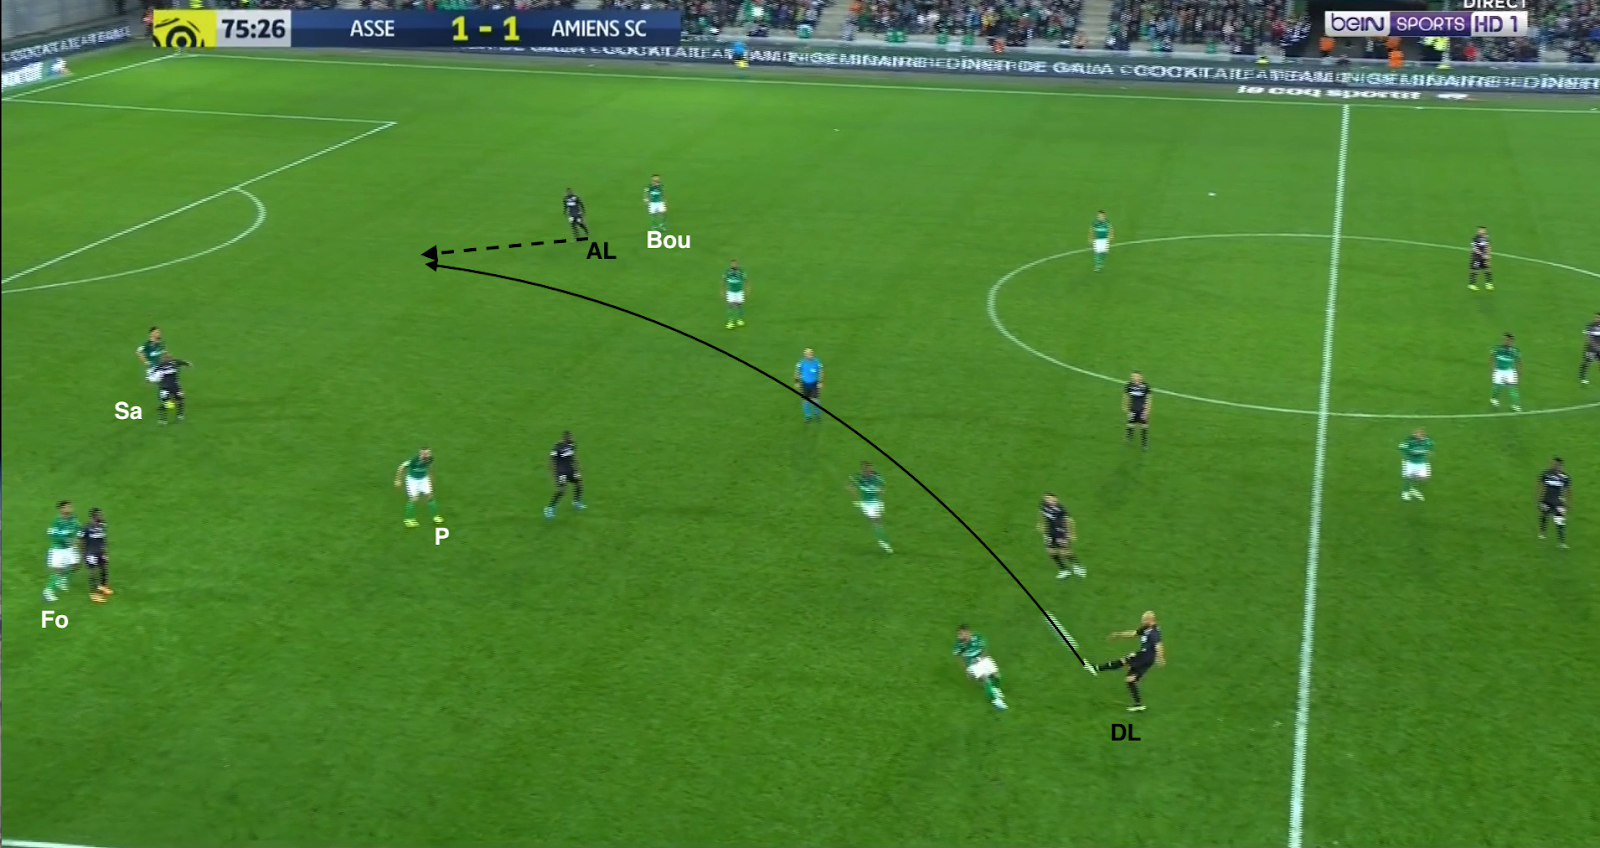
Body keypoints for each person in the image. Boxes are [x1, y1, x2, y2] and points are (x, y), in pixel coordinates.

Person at [1093, 610, 1165, 712]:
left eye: (1144, 620)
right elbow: (1133, 634)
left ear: (1150, 620)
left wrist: (1160, 658)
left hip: (1144, 656)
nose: (1142, 622)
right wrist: (1119, 635)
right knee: (1130, 679)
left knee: (1123, 661)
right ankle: (1138, 704)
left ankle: (1097, 668)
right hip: (1147, 659)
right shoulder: (1146, 628)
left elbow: (1158, 645)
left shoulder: (1154, 632)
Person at [952, 625, 1007, 710]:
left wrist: (982, 657)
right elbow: (958, 657)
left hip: (983, 658)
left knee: (997, 676)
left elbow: (984, 648)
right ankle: (996, 701)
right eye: (959, 634)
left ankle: (996, 690)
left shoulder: (977, 637)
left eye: (961, 633)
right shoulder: (959, 644)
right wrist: (966, 670)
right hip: (972, 664)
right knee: (985, 679)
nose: (959, 636)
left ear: (968, 632)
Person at [848, 462, 891, 553]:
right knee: (876, 522)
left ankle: (882, 541)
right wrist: (857, 499)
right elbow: (850, 486)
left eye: (869, 469)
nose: (868, 471)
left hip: (876, 502)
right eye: (866, 470)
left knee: (877, 522)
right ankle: (883, 542)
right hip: (867, 504)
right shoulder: (859, 478)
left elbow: (882, 487)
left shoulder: (877, 476)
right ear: (863, 470)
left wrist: (880, 495)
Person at [1038, 492, 1083, 579]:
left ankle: (1077, 566)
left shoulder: (1060, 509)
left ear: (1055, 499)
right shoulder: (1044, 505)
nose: (1048, 500)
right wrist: (1040, 523)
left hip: (1061, 532)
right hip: (1050, 532)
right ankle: (1064, 570)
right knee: (1051, 552)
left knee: (1064, 552)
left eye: (1050, 498)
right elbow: (1041, 513)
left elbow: (1069, 521)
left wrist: (1071, 534)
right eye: (1046, 498)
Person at [43, 500, 81, 603]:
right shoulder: (56, 521)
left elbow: (79, 529)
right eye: (67, 507)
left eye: (70, 506)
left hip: (69, 548)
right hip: (58, 549)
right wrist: (67, 539)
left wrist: (78, 538)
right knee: (58, 571)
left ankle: (62, 580)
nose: (69, 509)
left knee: (75, 566)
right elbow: (52, 535)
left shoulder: (73, 519)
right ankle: (48, 591)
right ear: (61, 509)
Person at [395, 448, 444, 528]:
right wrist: (398, 480)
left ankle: (436, 517)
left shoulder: (430, 459)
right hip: (412, 480)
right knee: (414, 499)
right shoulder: (414, 460)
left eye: (428, 453)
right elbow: (402, 467)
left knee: (429, 496)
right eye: (424, 454)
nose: (426, 455)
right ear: (420, 454)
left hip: (423, 479)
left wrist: (430, 476)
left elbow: (428, 467)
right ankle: (408, 519)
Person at [546, 431, 585, 519]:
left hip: (570, 470)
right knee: (562, 490)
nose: (571, 439)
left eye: (571, 437)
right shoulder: (557, 447)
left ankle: (576, 501)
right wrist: (554, 474)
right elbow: (552, 460)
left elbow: (572, 456)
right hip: (561, 471)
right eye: (569, 438)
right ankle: (550, 508)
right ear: (564, 438)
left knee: (579, 483)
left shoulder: (572, 444)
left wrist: (577, 466)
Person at [1537, 457, 1571, 549]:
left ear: (1560, 465)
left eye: (1555, 464)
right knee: (1544, 515)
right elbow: (1541, 485)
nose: (1553, 465)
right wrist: (1539, 498)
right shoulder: (1546, 474)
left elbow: (1568, 490)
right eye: (1552, 464)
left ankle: (1561, 542)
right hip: (1546, 500)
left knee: (1560, 521)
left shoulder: (1564, 477)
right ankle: (1542, 532)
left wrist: (1567, 503)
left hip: (1558, 502)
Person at [81, 507, 113, 602]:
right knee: (93, 572)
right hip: (90, 553)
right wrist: (83, 554)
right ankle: (94, 593)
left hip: (100, 552)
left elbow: (103, 539)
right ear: (94, 516)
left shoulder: (102, 525)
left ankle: (103, 586)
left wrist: (105, 551)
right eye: (99, 514)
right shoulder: (86, 528)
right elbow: (81, 541)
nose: (101, 516)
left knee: (104, 568)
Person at [153, 352, 192, 424]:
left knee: (173, 400)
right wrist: (188, 364)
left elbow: (154, 378)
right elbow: (184, 362)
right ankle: (170, 417)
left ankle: (167, 418)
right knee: (176, 400)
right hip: (171, 387)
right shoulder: (172, 363)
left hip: (169, 387)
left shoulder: (161, 366)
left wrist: (188, 364)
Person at [1398, 428, 1434, 501]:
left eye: (1420, 435)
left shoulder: (1427, 441)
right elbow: (1401, 447)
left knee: (1423, 479)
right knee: (1408, 477)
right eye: (1417, 435)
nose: (1419, 436)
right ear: (1414, 435)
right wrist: (1408, 454)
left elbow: (1431, 445)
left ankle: (1412, 488)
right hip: (1410, 462)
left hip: (1421, 462)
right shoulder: (1410, 441)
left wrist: (1428, 451)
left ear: (1423, 435)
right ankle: (1405, 492)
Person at [1490, 332, 1521, 412]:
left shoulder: (1515, 351)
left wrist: (1518, 372)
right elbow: (1492, 357)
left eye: (1508, 340)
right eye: (1505, 340)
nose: (1506, 341)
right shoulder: (1498, 348)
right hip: (1499, 370)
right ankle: (1493, 398)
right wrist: (1493, 368)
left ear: (1512, 341)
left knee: (1512, 388)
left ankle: (1515, 405)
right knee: (1498, 386)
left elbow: (1518, 361)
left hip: (1510, 371)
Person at [795, 348, 824, 422]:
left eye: (811, 354)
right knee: (805, 401)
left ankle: (817, 414)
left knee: (816, 400)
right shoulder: (801, 362)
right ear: (805, 355)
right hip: (805, 384)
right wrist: (797, 381)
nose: (810, 356)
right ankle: (807, 416)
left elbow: (821, 371)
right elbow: (797, 371)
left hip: (814, 384)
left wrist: (821, 382)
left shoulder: (816, 362)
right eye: (808, 354)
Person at [1124, 370, 1151, 449]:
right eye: (1133, 376)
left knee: (1144, 426)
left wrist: (1148, 409)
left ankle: (1144, 444)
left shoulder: (1145, 386)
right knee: (1130, 424)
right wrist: (1125, 406)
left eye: (1136, 376)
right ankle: (1129, 437)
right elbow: (1126, 396)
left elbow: (1149, 398)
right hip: (1132, 408)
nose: (1134, 378)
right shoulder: (1129, 385)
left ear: (1140, 377)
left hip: (1142, 409)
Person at [1468, 225, 1494, 291]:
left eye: (1484, 230)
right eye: (1481, 230)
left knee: (1487, 269)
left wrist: (1488, 256)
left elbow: (1488, 246)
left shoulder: (1486, 237)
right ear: (1478, 231)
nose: (1483, 231)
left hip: (1484, 257)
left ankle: (1488, 284)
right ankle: (1471, 284)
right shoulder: (1475, 238)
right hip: (1477, 257)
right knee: (1475, 270)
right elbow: (1474, 249)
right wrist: (1483, 255)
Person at [723, 260, 747, 329]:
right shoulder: (727, 272)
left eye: (735, 264)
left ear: (737, 264)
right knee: (730, 305)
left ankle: (739, 320)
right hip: (731, 292)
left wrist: (747, 288)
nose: (734, 265)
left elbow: (745, 280)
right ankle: (730, 322)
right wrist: (722, 290)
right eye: (733, 264)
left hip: (739, 291)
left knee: (739, 305)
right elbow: (724, 281)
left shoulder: (741, 271)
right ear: (731, 264)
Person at [1580, 312, 1599, 386]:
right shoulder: (1590, 325)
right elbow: (1588, 337)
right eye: (1596, 317)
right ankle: (1582, 377)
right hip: (1591, 348)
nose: (1597, 319)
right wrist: (1594, 346)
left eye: (1598, 317)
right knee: (1587, 362)